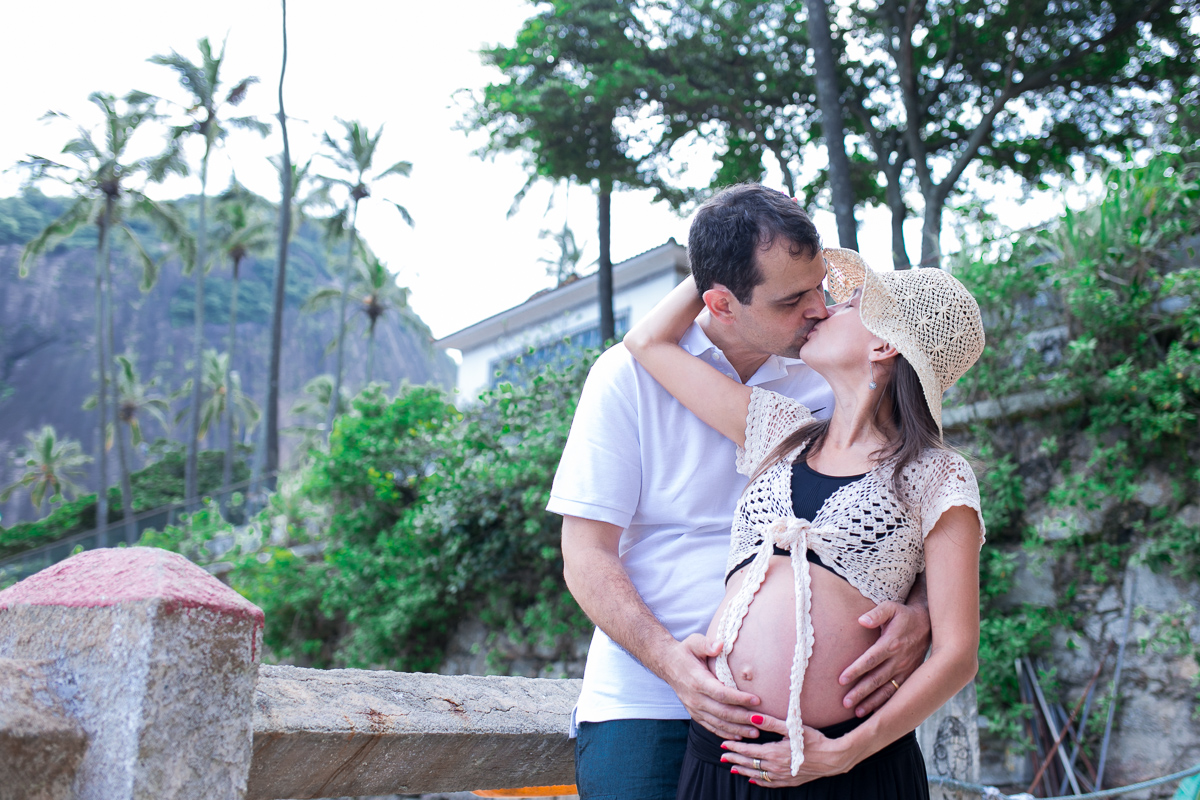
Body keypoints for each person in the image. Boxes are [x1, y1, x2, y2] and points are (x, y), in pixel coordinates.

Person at [548, 184, 934, 800]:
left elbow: (914, 503)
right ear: (721, 303)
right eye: (792, 298)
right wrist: (674, 665)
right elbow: (586, 554)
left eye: (820, 287)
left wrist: (920, 610)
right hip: (648, 695)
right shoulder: (626, 376)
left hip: (808, 723)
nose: (817, 308)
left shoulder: (836, 369)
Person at [622, 247, 986, 798]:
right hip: (722, 754)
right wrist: (732, 247)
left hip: (846, 767)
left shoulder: (936, 475)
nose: (822, 310)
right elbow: (647, 343)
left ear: (883, 345)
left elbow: (958, 654)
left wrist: (845, 753)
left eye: (850, 306)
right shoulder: (779, 430)